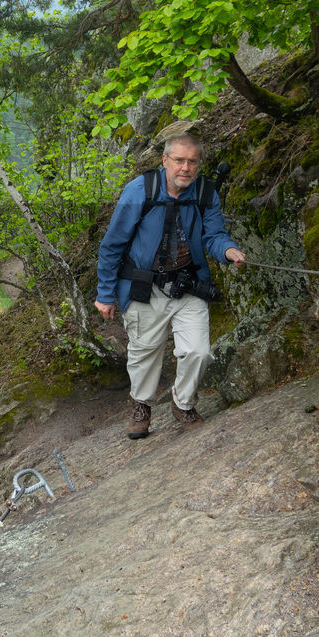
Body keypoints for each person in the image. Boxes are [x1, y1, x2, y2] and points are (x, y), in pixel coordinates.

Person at [94, 133, 246, 439]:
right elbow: (112, 245)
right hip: (144, 286)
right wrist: (105, 294)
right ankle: (142, 405)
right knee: (144, 352)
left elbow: (214, 235)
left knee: (198, 352)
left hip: (189, 284)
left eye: (192, 161)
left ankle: (183, 403)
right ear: (165, 160)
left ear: (198, 164)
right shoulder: (140, 192)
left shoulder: (205, 194)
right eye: (179, 160)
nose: (185, 168)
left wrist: (228, 251)